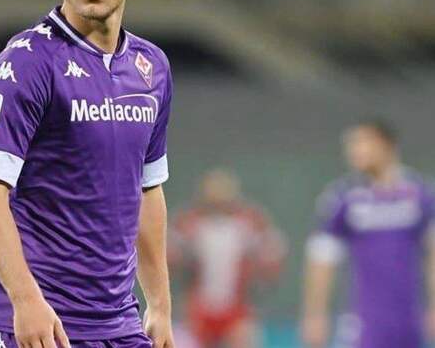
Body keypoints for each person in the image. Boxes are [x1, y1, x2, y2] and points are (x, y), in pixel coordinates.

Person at [0, 0, 174, 348]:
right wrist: (25, 300)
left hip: (119, 324)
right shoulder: (27, 62)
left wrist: (159, 304)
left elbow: (148, 189)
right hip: (38, 322)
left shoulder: (152, 68)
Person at [301, 120, 435, 348]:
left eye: (363, 142)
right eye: (352, 144)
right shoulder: (344, 197)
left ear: (387, 145)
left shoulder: (420, 194)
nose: (354, 150)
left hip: (409, 317)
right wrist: (315, 314)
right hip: (363, 318)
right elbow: (321, 260)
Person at [171, 169, 287, 348]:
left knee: (245, 338)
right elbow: (166, 254)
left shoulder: (248, 222)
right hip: (199, 308)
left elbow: (274, 251)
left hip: (237, 308)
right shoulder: (190, 222)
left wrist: (261, 268)